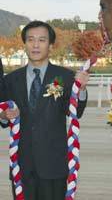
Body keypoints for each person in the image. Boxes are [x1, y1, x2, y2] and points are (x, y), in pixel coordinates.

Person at [3, 21, 89, 200]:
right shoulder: (11, 80)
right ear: (25, 44)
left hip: (54, 166)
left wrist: (80, 89)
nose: (35, 45)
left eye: (41, 40)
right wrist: (4, 115)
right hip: (22, 167)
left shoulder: (65, 77)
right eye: (30, 40)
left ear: (50, 45)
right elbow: (2, 112)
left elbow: (75, 111)